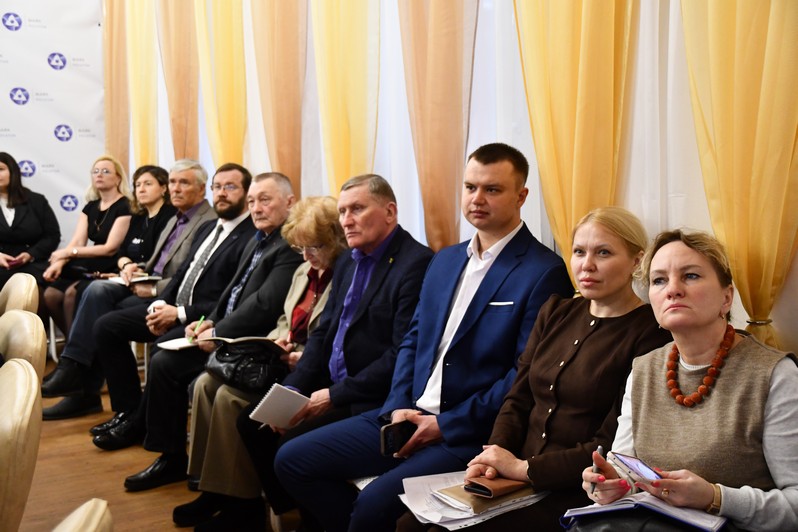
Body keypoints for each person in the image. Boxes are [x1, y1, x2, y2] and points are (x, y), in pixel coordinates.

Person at [273, 142, 575, 531]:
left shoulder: (542, 270)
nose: (477, 199)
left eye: (493, 189)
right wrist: (398, 404)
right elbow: (413, 342)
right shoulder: (445, 259)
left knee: (372, 505)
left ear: (521, 196)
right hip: (406, 413)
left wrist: (446, 424)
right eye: (470, 187)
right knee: (292, 460)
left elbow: (522, 375)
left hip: (465, 431)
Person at [397, 207, 674, 532]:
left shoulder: (651, 333)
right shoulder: (556, 311)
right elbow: (518, 397)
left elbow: (611, 443)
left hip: (576, 486)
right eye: (579, 252)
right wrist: (495, 454)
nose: (587, 265)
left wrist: (524, 469)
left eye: (603, 253)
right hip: (513, 475)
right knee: (409, 524)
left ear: (637, 261)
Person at [235, 174, 433, 531]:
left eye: (357, 209)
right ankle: (298, 517)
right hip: (334, 383)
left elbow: (401, 354)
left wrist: (332, 395)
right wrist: (294, 389)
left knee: (292, 447)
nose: (347, 220)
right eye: (342, 211)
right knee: (256, 424)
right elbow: (324, 332)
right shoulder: (348, 261)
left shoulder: (415, 263)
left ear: (390, 212)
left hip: (372, 396)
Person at [581, 230, 798, 531]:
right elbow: (625, 471)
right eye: (659, 280)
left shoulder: (775, 375)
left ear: (726, 297)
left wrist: (715, 497)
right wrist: (610, 486)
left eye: (691, 276)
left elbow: (795, 505)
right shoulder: (643, 369)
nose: (673, 290)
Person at [106, 172, 304, 495]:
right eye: (252, 201)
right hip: (221, 331)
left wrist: (216, 330)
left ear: (290, 202)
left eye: (265, 200)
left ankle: (175, 458)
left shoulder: (288, 245)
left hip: (249, 343)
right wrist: (205, 322)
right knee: (162, 355)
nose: (256, 208)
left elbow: (263, 305)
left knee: (166, 364)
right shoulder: (259, 239)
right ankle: (171, 456)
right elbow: (231, 292)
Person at [173, 196, 347, 530]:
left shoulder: (344, 275)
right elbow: (284, 318)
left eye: (313, 247)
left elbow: (331, 337)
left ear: (335, 240)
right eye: (300, 248)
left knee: (229, 398)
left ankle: (244, 502)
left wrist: (299, 351)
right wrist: (280, 338)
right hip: (281, 358)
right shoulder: (304, 271)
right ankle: (212, 488)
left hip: (308, 370)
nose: (306, 257)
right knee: (206, 384)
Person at [86, 164, 262, 449]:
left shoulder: (250, 236)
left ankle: (142, 426)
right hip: (173, 307)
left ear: (246, 193)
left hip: (200, 318)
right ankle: (128, 410)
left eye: (230, 187)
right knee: (107, 327)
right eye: (218, 187)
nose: (222, 193)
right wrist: (160, 303)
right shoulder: (208, 227)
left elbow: (229, 298)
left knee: (162, 352)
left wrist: (179, 314)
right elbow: (181, 274)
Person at [41, 159, 217, 419]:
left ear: (202, 189)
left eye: (183, 183)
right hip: (142, 281)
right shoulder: (176, 218)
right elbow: (152, 259)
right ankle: (79, 376)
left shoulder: (206, 221)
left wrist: (153, 288)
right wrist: (132, 267)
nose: (176, 188)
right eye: (173, 182)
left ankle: (91, 390)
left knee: (102, 315)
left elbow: (189, 275)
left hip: (167, 295)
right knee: (95, 296)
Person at [43, 154, 132, 336]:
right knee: (51, 295)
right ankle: (73, 341)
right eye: (95, 171)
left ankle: (77, 348)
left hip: (112, 262)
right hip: (89, 260)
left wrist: (66, 253)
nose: (99, 174)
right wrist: (59, 263)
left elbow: (110, 248)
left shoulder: (125, 206)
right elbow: (78, 241)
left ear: (118, 178)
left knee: (71, 295)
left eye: (105, 171)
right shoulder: (90, 207)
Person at [0, 151, 61, 290]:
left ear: (13, 172)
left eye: (1, 169)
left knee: (33, 286)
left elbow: (52, 236)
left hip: (32, 266)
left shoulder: (36, 201)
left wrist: (31, 254)